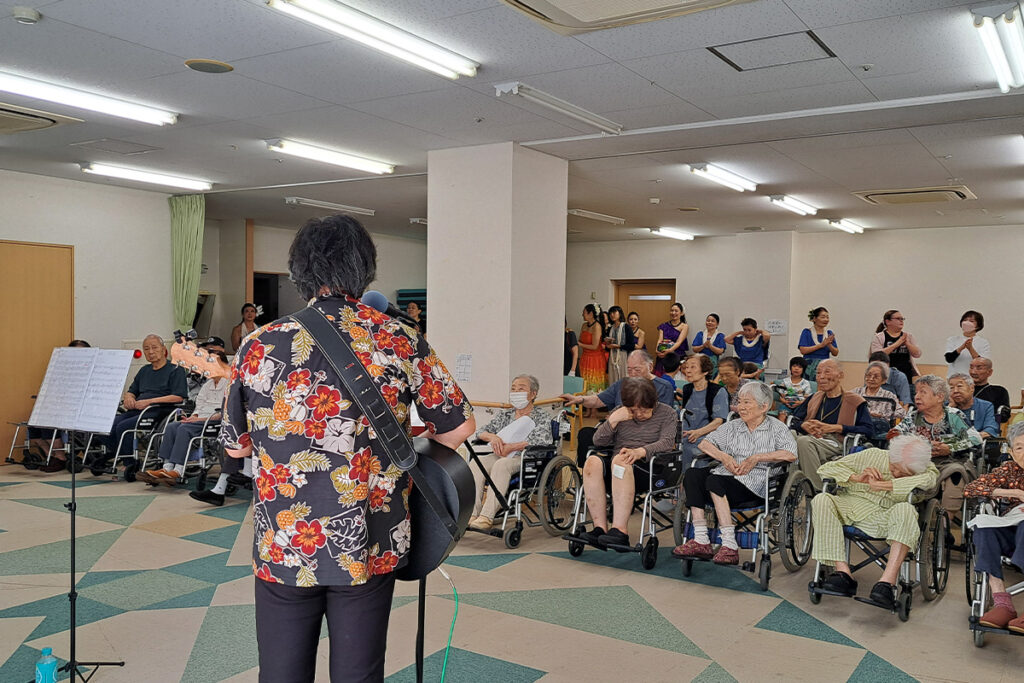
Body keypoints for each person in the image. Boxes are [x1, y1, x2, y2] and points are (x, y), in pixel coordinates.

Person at [218, 214, 476, 682]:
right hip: (369, 536)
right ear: (365, 269)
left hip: (285, 539)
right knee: (360, 672)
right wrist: (394, 457)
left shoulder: (259, 344)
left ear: (299, 271)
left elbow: (235, 449)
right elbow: (460, 425)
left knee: (280, 672)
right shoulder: (399, 338)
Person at [673, 382, 797, 564]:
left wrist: (757, 458)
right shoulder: (733, 426)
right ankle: (701, 539)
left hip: (757, 483)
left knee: (715, 481)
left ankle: (729, 545)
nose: (741, 407)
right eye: (739, 402)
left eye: (747, 402)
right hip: (726, 477)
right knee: (692, 474)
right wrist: (723, 457)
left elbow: (790, 454)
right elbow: (704, 444)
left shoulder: (777, 428)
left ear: (764, 407)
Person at [809, 435, 938, 608]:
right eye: (894, 468)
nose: (896, 474)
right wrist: (856, 477)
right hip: (850, 507)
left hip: (886, 516)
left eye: (904, 474)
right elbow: (826, 468)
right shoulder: (872, 455)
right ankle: (843, 573)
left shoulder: (925, 469)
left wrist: (885, 485)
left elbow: (930, 480)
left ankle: (886, 583)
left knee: (907, 510)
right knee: (821, 499)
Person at [576, 378, 677, 549]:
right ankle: (600, 528)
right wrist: (613, 420)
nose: (639, 414)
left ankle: (620, 531)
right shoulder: (620, 412)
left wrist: (640, 451)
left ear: (653, 402)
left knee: (620, 461)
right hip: (619, 466)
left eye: (644, 410)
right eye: (634, 410)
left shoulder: (667, 413)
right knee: (592, 462)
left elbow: (667, 442)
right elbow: (598, 441)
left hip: (649, 467)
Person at [469, 374, 554, 531]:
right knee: (476, 464)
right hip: (501, 454)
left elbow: (542, 440)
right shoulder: (506, 415)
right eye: (513, 389)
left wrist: (512, 447)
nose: (515, 392)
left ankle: (487, 516)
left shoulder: (541, 416)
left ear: (533, 394)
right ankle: (473, 514)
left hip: (526, 458)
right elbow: (481, 432)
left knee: (502, 465)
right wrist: (492, 437)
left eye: (521, 389)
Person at [562, 351, 675, 466]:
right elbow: (598, 400)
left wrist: (622, 414)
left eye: (637, 370)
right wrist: (579, 399)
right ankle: (585, 470)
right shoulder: (622, 383)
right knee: (585, 434)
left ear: (650, 367)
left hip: (645, 437)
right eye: (629, 370)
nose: (633, 374)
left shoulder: (663, 387)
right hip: (617, 430)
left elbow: (656, 417)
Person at [963, 421, 1024, 632]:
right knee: (984, 528)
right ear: (1012, 452)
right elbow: (972, 488)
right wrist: (1014, 493)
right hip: (1011, 531)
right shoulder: (1010, 470)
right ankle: (1002, 603)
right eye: (1019, 447)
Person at [137, 353, 230, 486]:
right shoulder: (208, 384)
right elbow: (199, 405)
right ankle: (167, 467)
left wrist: (199, 420)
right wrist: (194, 417)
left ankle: (178, 470)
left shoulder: (229, 383)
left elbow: (226, 411)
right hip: (200, 418)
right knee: (172, 426)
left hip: (215, 420)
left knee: (184, 429)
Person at [100, 335, 188, 466]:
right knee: (105, 426)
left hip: (159, 410)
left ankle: (129, 463)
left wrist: (149, 401)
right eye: (146, 349)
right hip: (138, 409)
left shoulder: (175, 369)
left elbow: (178, 396)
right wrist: (129, 398)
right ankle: (120, 452)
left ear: (163, 349)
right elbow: (132, 390)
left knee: (123, 427)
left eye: (154, 347)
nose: (150, 352)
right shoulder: (144, 370)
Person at [790, 359, 874, 490]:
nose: (821, 377)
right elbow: (794, 420)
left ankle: (815, 490)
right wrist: (803, 425)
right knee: (790, 435)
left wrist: (837, 428)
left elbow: (868, 430)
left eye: (827, 372)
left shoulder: (855, 401)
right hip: (812, 437)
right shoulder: (814, 398)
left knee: (803, 442)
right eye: (818, 373)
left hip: (836, 442)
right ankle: (792, 484)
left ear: (840, 375)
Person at [25, 339, 92, 472]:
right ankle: (51, 455)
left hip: (78, 409)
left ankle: (60, 456)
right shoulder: (62, 371)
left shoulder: (90, 372)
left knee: (49, 422)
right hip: (60, 406)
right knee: (34, 424)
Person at [893, 375, 980, 459]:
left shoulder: (954, 415)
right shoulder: (913, 417)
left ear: (940, 397)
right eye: (916, 393)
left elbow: (976, 439)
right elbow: (894, 435)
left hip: (950, 462)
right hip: (918, 461)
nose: (917, 397)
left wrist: (950, 448)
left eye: (923, 392)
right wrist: (920, 444)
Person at [678, 355, 729, 468]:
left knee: (691, 447)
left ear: (705, 371)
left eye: (693, 367)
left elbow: (719, 421)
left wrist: (698, 432)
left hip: (708, 434)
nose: (688, 371)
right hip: (686, 433)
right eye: (686, 367)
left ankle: (691, 477)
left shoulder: (717, 391)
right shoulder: (687, 389)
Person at [851, 361, 906, 433]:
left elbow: (902, 413)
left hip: (879, 431)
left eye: (876, 376)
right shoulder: (856, 392)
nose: (871, 379)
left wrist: (882, 416)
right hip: (858, 428)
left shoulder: (889, 395)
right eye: (868, 375)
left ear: (884, 380)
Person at [870, 310, 920, 381]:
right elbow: (876, 356)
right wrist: (897, 344)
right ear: (888, 322)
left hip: (906, 376)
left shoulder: (908, 336)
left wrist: (907, 344)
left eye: (902, 319)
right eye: (898, 318)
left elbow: (917, 354)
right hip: (885, 377)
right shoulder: (879, 337)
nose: (901, 321)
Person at [948, 373, 999, 441]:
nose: (955, 391)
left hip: (977, 444)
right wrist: (950, 409)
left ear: (972, 388)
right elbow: (939, 430)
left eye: (959, 386)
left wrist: (972, 439)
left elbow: (990, 429)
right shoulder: (946, 406)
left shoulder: (985, 406)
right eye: (951, 388)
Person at [945, 310, 990, 376]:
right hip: (954, 377)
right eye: (965, 320)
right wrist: (961, 348)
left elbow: (982, 363)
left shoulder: (983, 342)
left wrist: (970, 348)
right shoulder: (952, 339)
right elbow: (949, 359)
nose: (967, 323)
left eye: (971, 321)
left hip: (973, 378)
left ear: (978, 326)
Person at [798, 307, 838, 380]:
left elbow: (835, 353)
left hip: (824, 366)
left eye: (827, 317)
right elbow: (803, 350)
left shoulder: (829, 333)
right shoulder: (807, 332)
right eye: (823, 317)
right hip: (809, 366)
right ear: (814, 319)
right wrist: (821, 345)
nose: (826, 319)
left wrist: (829, 345)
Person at [578, 304, 607, 407]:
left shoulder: (597, 326)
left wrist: (580, 345)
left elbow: (595, 346)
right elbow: (580, 339)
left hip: (595, 359)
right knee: (585, 382)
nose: (582, 315)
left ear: (591, 314)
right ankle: (587, 407)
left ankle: (594, 409)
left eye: (584, 312)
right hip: (585, 357)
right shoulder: (584, 325)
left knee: (594, 382)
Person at [970, 357, 1012, 424]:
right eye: (971, 367)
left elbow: (1003, 417)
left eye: (979, 368)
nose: (973, 372)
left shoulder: (999, 391)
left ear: (989, 372)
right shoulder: (962, 391)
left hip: (988, 427)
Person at [654, 302, 688, 376]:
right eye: (672, 310)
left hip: (677, 356)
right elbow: (660, 340)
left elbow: (679, 342)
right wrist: (657, 350)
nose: (673, 313)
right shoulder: (663, 326)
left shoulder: (684, 326)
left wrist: (669, 351)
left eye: (676, 311)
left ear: (681, 313)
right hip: (663, 355)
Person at [604, 305, 635, 384]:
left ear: (620, 313)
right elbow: (608, 348)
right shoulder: (610, 328)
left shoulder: (626, 327)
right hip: (612, 357)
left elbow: (632, 346)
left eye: (614, 312)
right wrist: (608, 345)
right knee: (613, 380)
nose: (612, 315)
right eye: (610, 313)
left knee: (623, 380)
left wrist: (618, 346)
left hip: (623, 357)